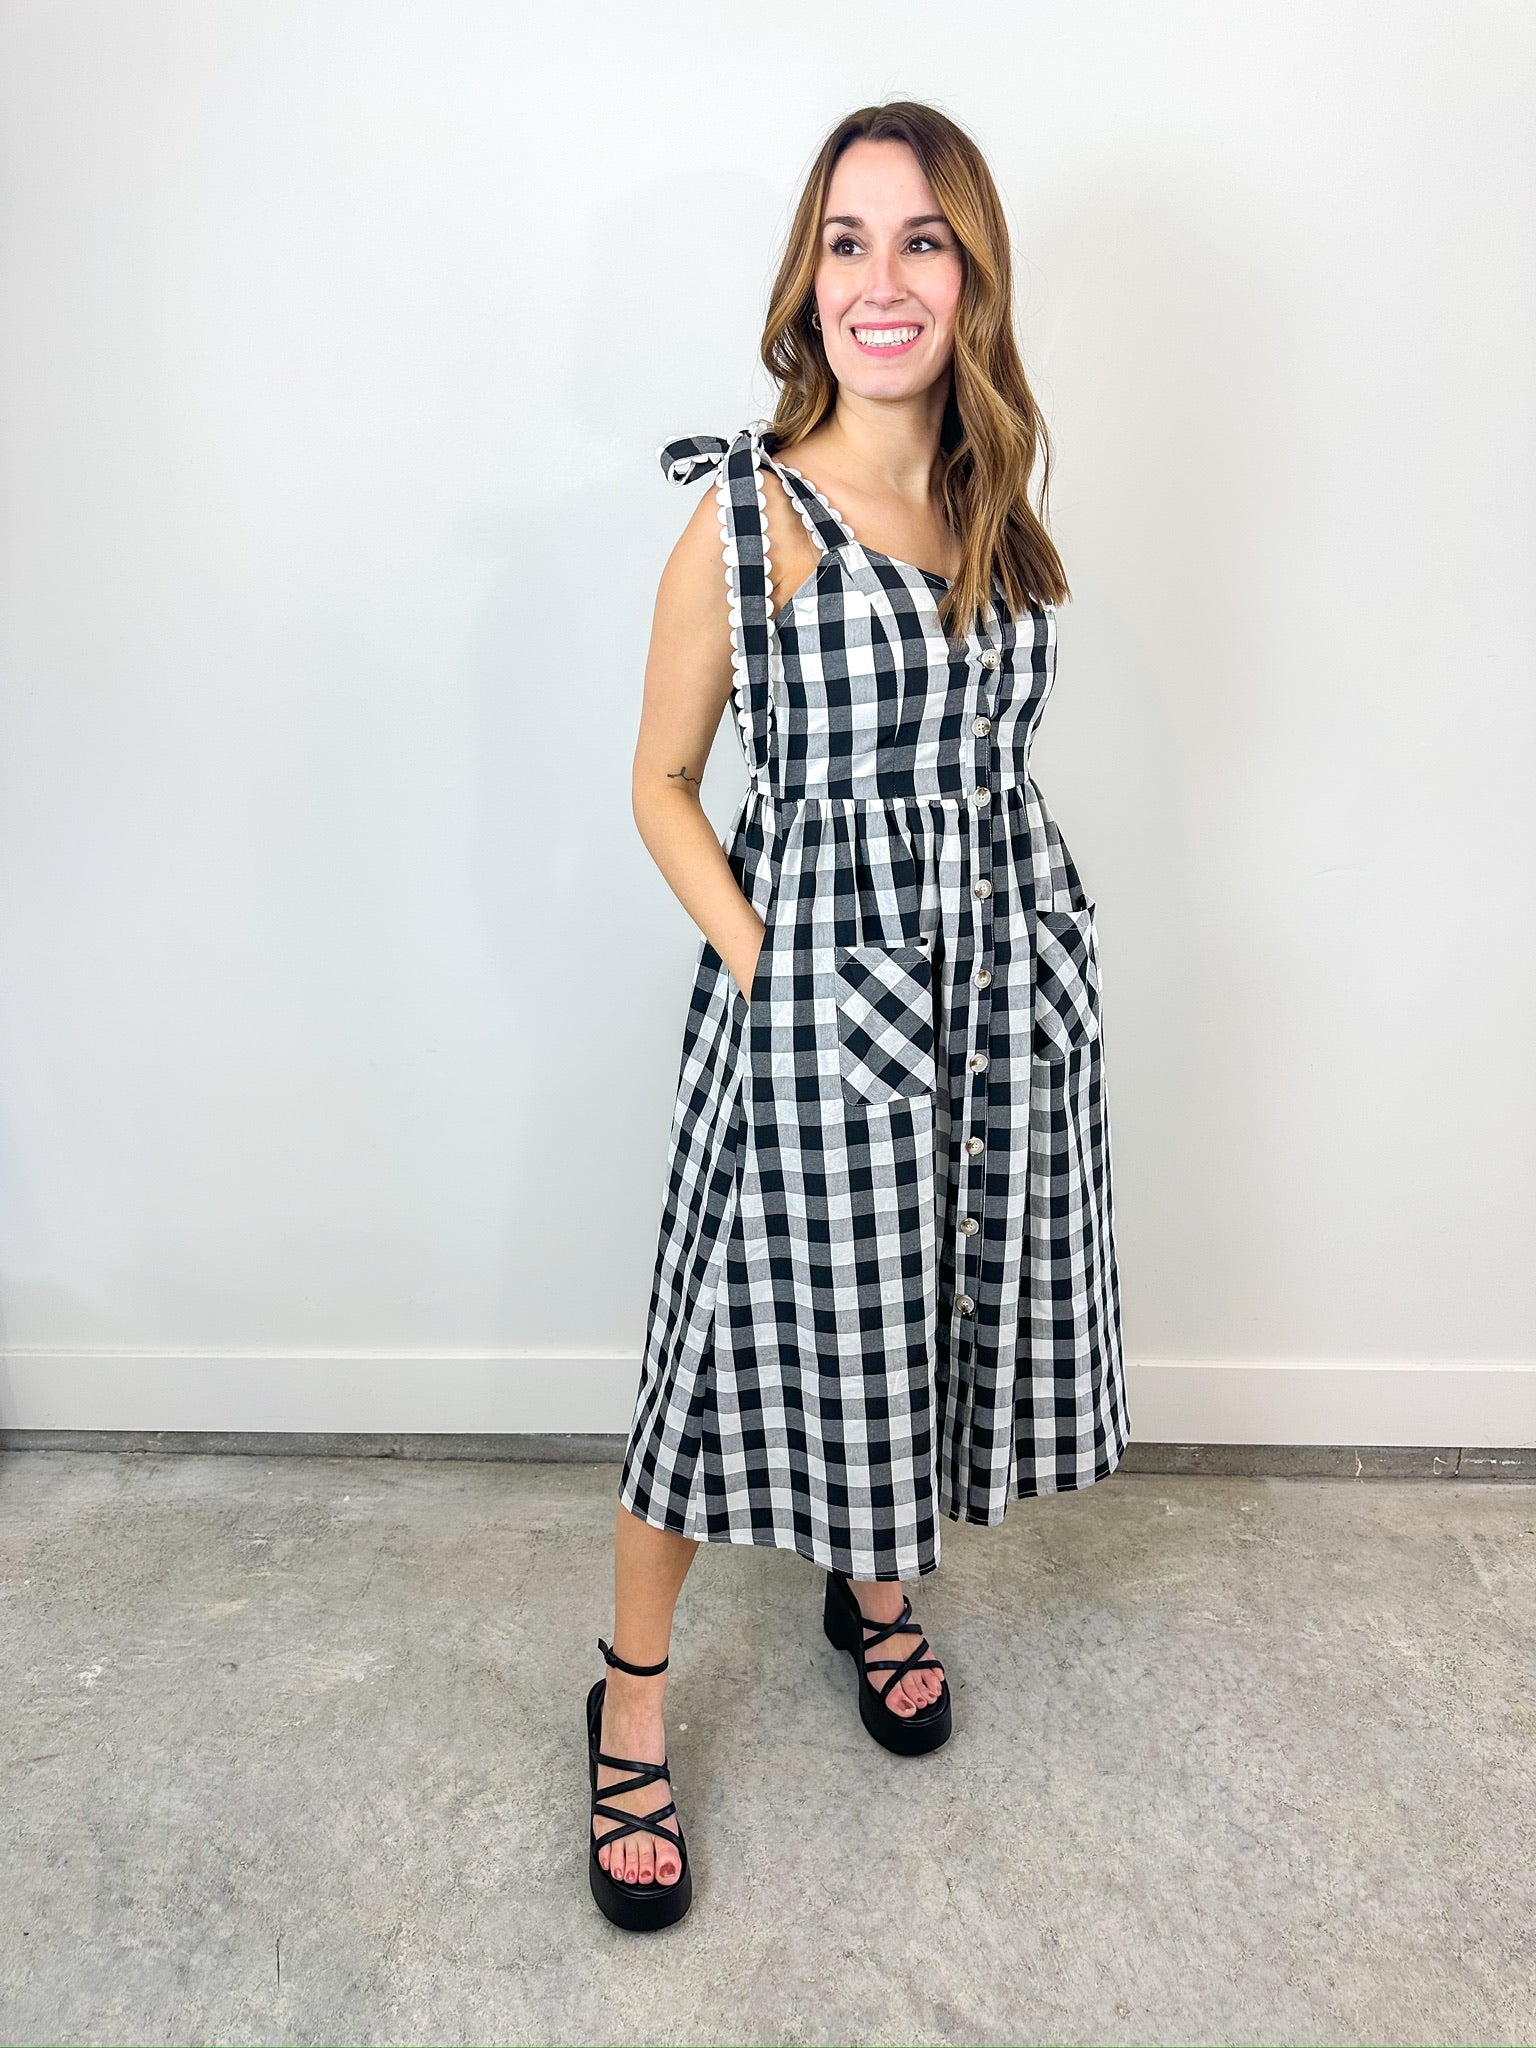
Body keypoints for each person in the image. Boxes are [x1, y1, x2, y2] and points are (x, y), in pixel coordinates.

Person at [586, 99, 1129, 1932]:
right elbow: (662, 782)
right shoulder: (746, 515)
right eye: (845, 240)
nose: (879, 279)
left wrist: (1019, 946)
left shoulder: (990, 496)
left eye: (920, 240)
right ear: (805, 278)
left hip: (991, 981)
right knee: (715, 1342)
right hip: (817, 990)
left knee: (917, 1295)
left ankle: (871, 1587)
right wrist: (776, 967)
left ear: (970, 275)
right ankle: (631, 1700)